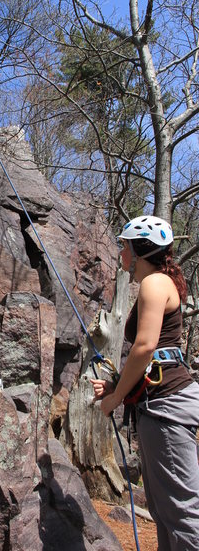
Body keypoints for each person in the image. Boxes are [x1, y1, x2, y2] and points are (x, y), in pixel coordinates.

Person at [90, 215, 199, 551]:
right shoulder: (158, 282)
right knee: (166, 511)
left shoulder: (154, 283)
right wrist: (117, 387)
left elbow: (145, 346)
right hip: (159, 405)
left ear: (138, 251)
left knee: (181, 512)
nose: (120, 252)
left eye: (124, 246)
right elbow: (156, 354)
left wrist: (116, 398)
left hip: (167, 407)